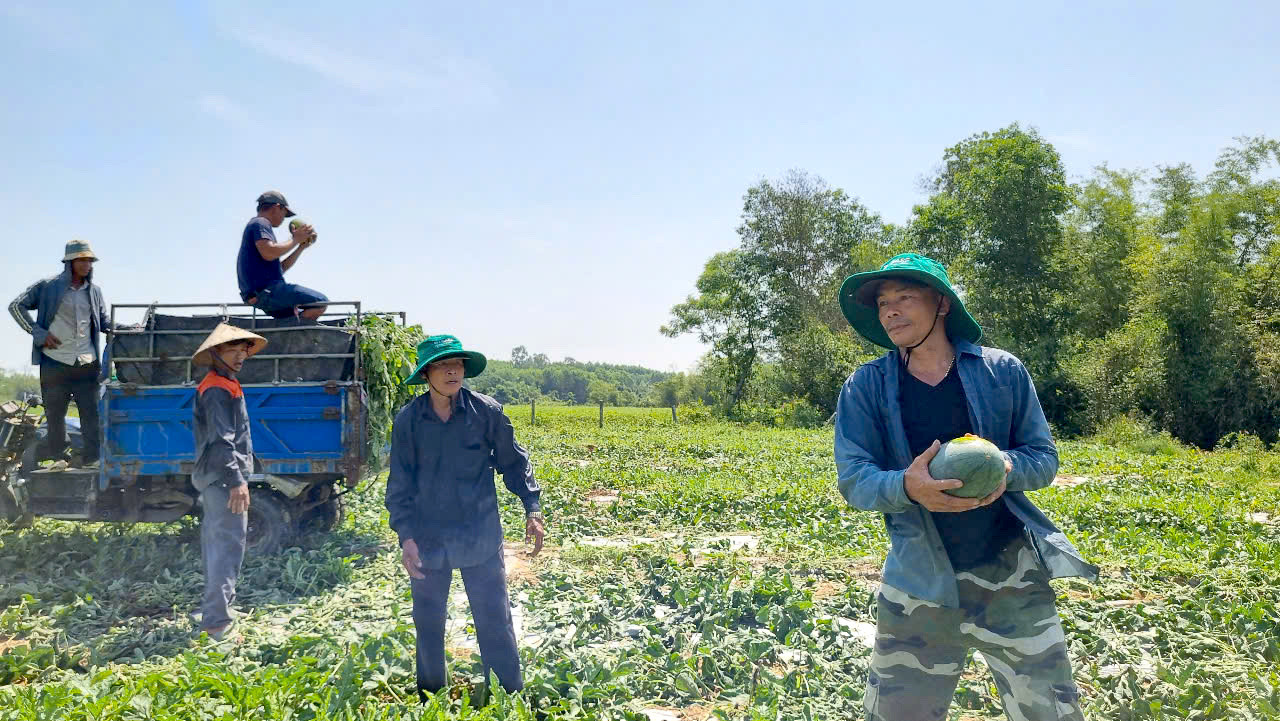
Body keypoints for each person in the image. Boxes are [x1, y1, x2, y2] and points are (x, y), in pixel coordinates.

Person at [833, 253, 1098, 720]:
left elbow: (1044, 458)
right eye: (882, 303)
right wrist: (909, 487)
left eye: (904, 297)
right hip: (919, 582)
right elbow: (855, 479)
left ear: (941, 303)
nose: (889, 309)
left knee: (1050, 712)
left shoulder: (1003, 371)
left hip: (1011, 575)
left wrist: (1002, 468)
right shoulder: (865, 386)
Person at [385, 334, 546, 700]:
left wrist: (532, 508)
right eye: (442, 364)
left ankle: (507, 696)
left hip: (480, 533)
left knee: (494, 619)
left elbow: (514, 462)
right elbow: (400, 484)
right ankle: (431, 697)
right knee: (428, 622)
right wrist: (406, 538)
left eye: (457, 363)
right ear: (426, 373)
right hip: (428, 537)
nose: (452, 370)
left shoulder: (486, 412)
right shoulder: (409, 421)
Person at [190, 323, 267, 641]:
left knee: (218, 547)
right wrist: (237, 481)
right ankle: (216, 623)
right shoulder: (217, 388)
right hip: (224, 480)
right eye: (232, 349)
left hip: (217, 479)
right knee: (226, 548)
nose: (240, 356)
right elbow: (222, 441)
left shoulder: (224, 384)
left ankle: (215, 610)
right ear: (215, 353)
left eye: (244, 350)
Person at [8, 240, 111, 468]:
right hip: (55, 362)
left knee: (91, 414)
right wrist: (37, 332)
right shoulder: (47, 287)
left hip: (86, 362)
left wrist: (123, 328)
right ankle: (58, 457)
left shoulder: (94, 292)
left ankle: (91, 458)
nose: (87, 264)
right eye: (82, 260)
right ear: (70, 262)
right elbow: (16, 306)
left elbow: (103, 322)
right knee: (55, 415)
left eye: (89, 260)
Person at [236, 190, 328, 320]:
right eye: (285, 214)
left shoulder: (257, 226)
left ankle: (290, 332)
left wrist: (300, 247)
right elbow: (269, 253)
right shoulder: (260, 223)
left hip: (261, 293)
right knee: (320, 302)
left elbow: (279, 269)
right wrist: (296, 239)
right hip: (267, 292)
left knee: (294, 316)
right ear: (277, 207)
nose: (284, 219)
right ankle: (296, 335)